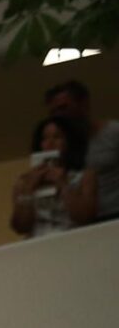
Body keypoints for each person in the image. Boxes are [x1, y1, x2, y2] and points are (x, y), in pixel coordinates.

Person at [44, 78, 119, 226]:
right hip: (81, 223)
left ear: (84, 103)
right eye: (53, 112)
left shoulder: (114, 132)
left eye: (63, 107)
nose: (59, 115)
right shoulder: (62, 147)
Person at [14, 112, 99, 238]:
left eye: (57, 137)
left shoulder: (85, 176)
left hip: (75, 240)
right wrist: (28, 189)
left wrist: (63, 184)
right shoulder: (24, 180)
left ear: (68, 142)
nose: (50, 143)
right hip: (38, 244)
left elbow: (86, 217)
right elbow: (20, 227)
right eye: (45, 138)